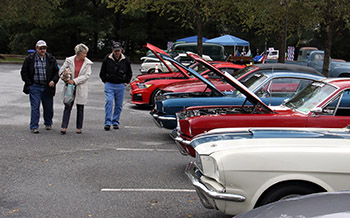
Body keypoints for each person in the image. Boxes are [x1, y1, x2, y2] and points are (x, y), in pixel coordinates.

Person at [20, 40, 59, 134]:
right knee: (35, 107)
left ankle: (48, 123)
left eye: (44, 48)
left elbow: (56, 72)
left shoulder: (51, 59)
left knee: (48, 107)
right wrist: (30, 83)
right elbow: (24, 72)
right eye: (41, 48)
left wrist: (53, 81)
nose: (43, 50)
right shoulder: (30, 59)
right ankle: (34, 126)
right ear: (36, 48)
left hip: (47, 87)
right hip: (35, 86)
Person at [59, 43, 93, 135]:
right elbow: (61, 71)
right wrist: (66, 78)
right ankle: (64, 126)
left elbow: (87, 76)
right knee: (68, 105)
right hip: (69, 87)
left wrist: (75, 81)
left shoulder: (87, 63)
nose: (85, 55)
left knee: (80, 107)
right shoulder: (69, 60)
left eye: (86, 53)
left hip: (80, 87)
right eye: (84, 53)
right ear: (78, 53)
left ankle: (79, 127)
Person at [99, 42, 132, 131]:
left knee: (119, 105)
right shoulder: (107, 58)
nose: (117, 52)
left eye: (118, 50)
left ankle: (115, 121)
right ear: (112, 50)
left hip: (121, 85)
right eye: (115, 50)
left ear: (121, 50)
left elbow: (129, 72)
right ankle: (107, 122)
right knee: (109, 102)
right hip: (109, 84)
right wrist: (104, 80)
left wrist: (126, 82)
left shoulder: (125, 59)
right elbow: (102, 71)